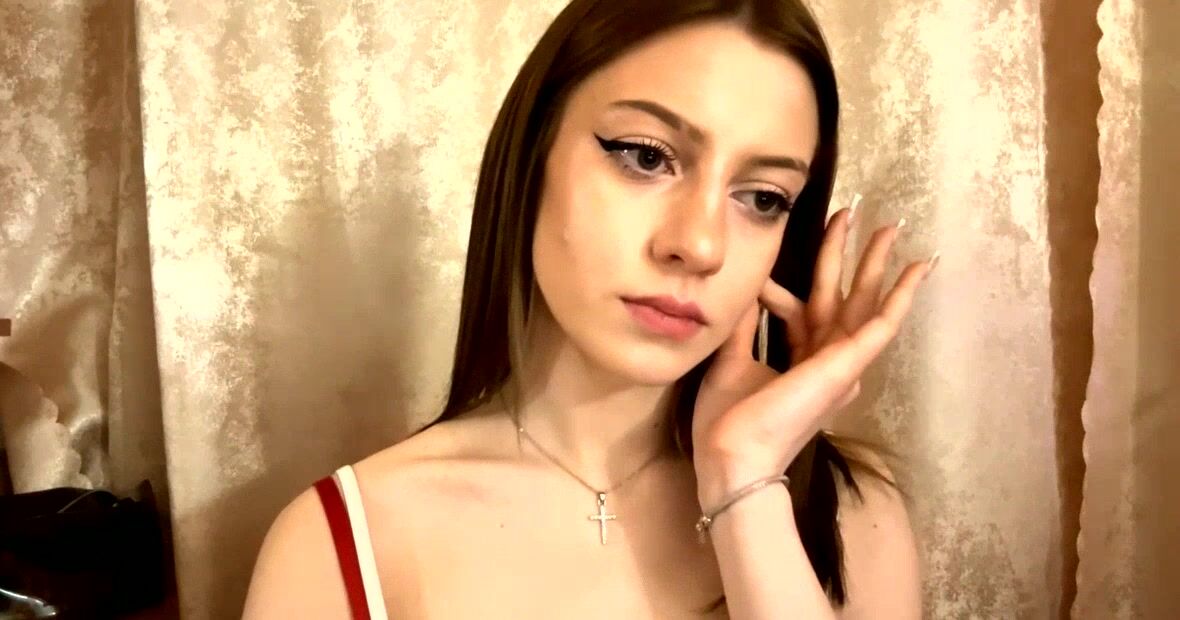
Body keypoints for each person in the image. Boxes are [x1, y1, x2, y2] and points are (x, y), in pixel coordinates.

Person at [243, 0, 930, 617]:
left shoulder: (851, 514)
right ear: (532, 154)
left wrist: (746, 486)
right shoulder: (343, 542)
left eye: (763, 198)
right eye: (645, 157)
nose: (700, 245)